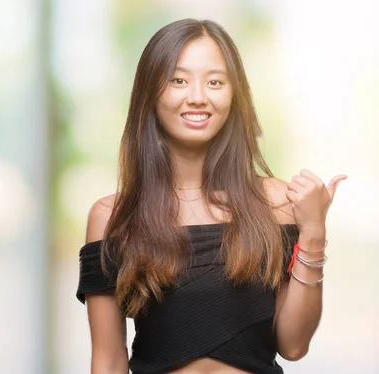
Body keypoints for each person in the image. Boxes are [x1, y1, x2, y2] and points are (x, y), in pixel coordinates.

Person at [75, 19, 346, 374]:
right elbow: (108, 361)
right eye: (179, 80)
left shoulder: (277, 203)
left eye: (215, 81)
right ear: (150, 93)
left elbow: (293, 346)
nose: (198, 96)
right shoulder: (113, 216)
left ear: (235, 96)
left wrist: (314, 234)